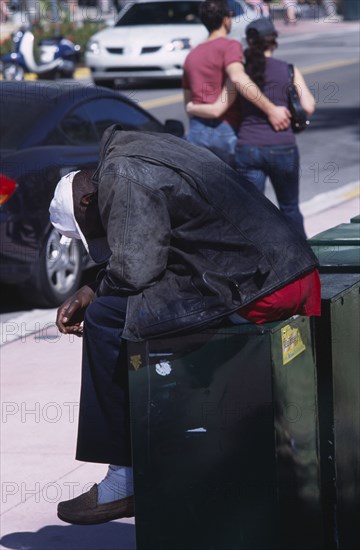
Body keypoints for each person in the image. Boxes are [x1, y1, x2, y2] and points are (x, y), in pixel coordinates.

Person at [49, 125, 320, 525]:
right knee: (116, 305)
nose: (104, 234)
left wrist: (94, 294)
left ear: (88, 199)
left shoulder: (121, 177)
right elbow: (149, 247)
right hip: (286, 270)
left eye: (96, 228)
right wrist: (92, 285)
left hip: (260, 287)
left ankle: (123, 477)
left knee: (106, 318)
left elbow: (136, 270)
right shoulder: (136, 151)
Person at [186, 17, 315, 238]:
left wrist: (192, 107)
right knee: (290, 208)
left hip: (248, 149)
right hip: (283, 147)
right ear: (274, 42)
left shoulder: (239, 75)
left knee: (252, 212)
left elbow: (219, 108)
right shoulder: (289, 70)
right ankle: (304, 265)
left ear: (249, 42)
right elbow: (309, 107)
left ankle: (258, 266)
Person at [182, 0, 290, 166]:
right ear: (226, 20)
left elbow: (188, 102)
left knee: (203, 188)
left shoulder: (191, 55)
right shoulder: (230, 46)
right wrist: (271, 110)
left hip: (197, 130)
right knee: (235, 188)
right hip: (226, 128)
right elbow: (238, 78)